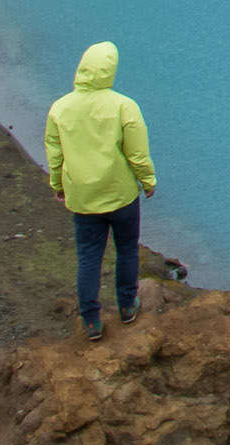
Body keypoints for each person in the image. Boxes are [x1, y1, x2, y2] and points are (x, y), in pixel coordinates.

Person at [43, 41, 159, 341]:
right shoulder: (123, 106)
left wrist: (58, 185)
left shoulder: (60, 108)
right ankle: (127, 306)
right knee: (127, 249)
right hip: (121, 195)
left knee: (89, 257)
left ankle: (92, 321)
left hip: (82, 199)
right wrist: (147, 181)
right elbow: (137, 153)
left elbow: (55, 155)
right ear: (110, 70)